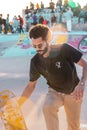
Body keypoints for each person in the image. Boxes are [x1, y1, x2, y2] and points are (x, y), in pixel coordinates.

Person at [19, 24, 87, 130]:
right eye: (34, 46)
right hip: (54, 92)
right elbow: (31, 86)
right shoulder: (35, 61)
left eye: (40, 45)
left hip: (73, 92)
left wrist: (82, 84)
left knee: (74, 126)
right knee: (47, 107)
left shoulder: (64, 49)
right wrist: (19, 104)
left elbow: (85, 65)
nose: (37, 49)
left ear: (48, 41)